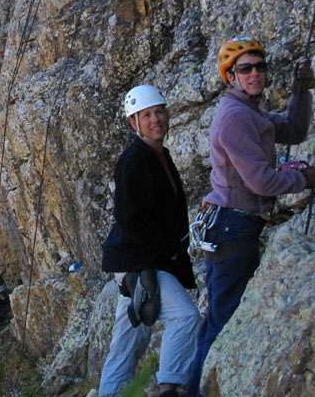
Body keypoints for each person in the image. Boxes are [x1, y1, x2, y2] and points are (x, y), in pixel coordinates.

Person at [186, 38, 315, 396]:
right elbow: (261, 181)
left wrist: (301, 88)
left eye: (259, 67)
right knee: (223, 320)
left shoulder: (251, 111)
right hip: (233, 225)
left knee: (219, 318)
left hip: (234, 226)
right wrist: (302, 179)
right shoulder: (234, 118)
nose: (255, 74)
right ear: (231, 77)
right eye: (245, 69)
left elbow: (294, 130)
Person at [99, 84, 200, 397]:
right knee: (185, 317)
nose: (155, 119)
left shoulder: (158, 155)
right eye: (146, 115)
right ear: (134, 123)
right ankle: (169, 386)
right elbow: (130, 218)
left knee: (128, 342)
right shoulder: (135, 160)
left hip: (137, 260)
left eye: (159, 112)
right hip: (141, 260)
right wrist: (166, 251)